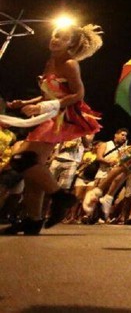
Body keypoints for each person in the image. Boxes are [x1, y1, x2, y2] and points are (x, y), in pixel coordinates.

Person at [1, 23, 103, 234]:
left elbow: (78, 94)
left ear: (71, 44)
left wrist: (43, 106)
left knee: (22, 160)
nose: (55, 39)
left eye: (62, 37)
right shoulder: (50, 62)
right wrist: (27, 102)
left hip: (60, 118)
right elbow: (50, 92)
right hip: (47, 115)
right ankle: (33, 220)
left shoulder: (70, 63)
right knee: (30, 169)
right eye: (55, 35)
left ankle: (61, 197)